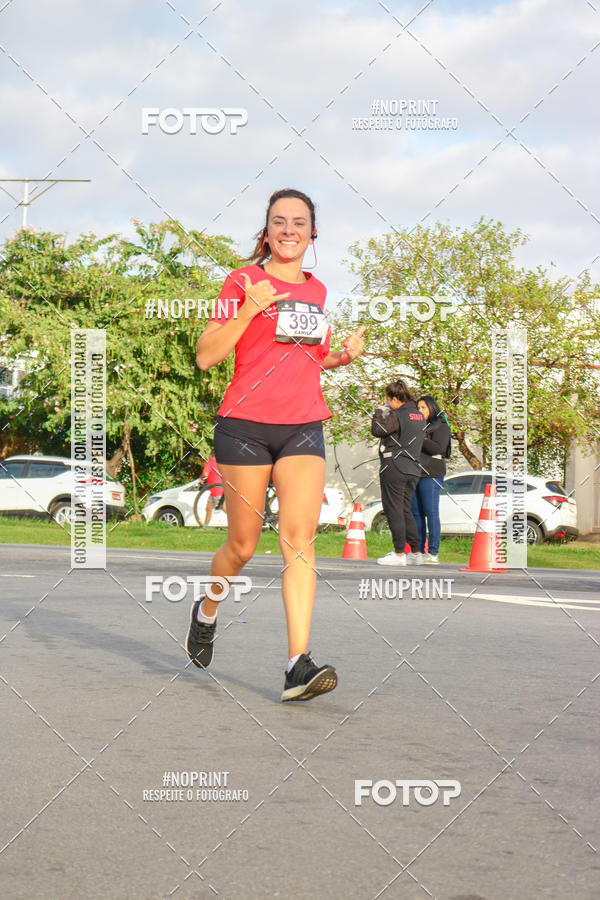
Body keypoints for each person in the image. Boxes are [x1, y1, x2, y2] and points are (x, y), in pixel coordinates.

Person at [186, 188, 365, 701]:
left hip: (304, 425)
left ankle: (297, 666)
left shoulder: (318, 291)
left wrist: (342, 358)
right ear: (266, 232)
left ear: (313, 234)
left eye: (299, 222)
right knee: (241, 546)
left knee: (298, 539)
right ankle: (207, 609)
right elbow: (206, 356)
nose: (289, 230)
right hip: (244, 426)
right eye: (279, 222)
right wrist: (248, 311)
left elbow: (306, 358)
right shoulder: (241, 282)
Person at [371, 380, 425, 566]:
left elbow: (378, 430)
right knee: (405, 509)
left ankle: (399, 553)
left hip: (394, 465)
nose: (386, 403)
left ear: (394, 398)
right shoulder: (418, 415)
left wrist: (379, 413)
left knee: (393, 509)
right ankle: (416, 553)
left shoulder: (399, 414)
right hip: (413, 468)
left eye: (387, 400)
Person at [411, 395, 451, 565]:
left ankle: (433, 552)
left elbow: (439, 448)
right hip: (415, 472)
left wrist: (422, 438)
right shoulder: (417, 426)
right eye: (418, 408)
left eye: (423, 408)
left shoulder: (440, 425)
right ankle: (418, 551)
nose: (420, 411)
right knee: (416, 513)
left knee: (430, 512)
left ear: (431, 408)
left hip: (432, 473)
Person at [201, 453, 225, 526]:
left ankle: (238, 525)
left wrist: (201, 477)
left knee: (225, 509)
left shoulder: (210, 463)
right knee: (208, 508)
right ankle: (205, 526)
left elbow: (205, 474)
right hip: (215, 491)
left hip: (217, 490)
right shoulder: (220, 463)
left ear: (211, 455)